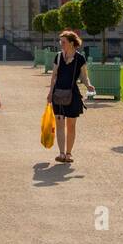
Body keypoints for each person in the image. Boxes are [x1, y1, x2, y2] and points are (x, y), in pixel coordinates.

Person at [47, 29, 93, 163]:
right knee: (59, 125)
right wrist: (50, 93)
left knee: (71, 126)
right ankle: (61, 154)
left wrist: (89, 85)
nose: (61, 44)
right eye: (60, 41)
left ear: (72, 43)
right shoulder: (58, 56)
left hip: (72, 95)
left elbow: (84, 76)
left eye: (63, 42)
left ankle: (68, 154)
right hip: (58, 95)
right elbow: (54, 76)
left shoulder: (80, 58)